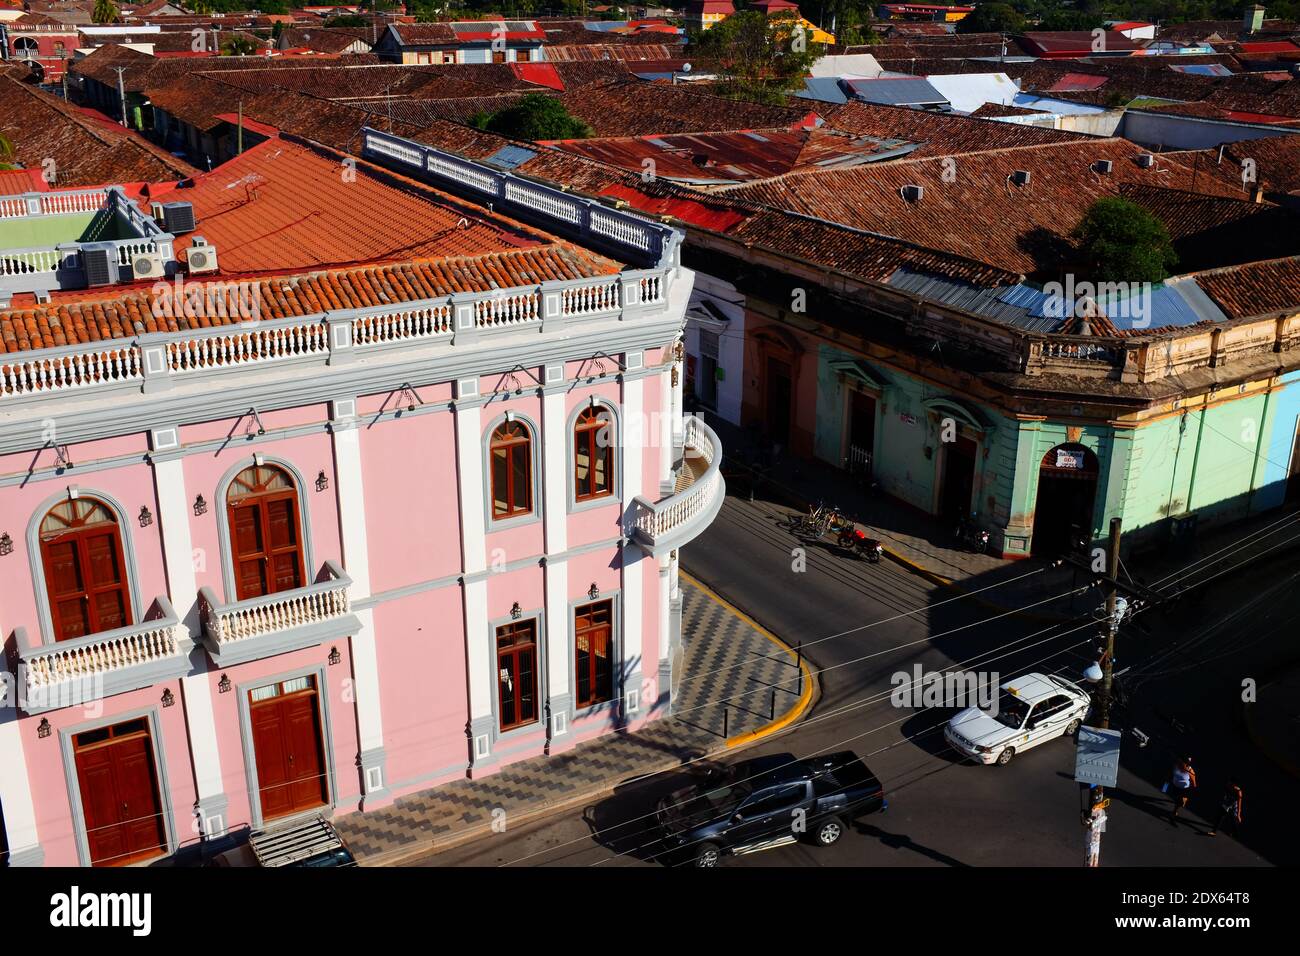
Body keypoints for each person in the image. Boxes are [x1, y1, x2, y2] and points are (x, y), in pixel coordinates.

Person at [1167, 756, 1197, 825]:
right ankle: (1181, 802)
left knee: (1179, 802)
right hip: (1175, 786)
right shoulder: (1176, 765)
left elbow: (1194, 784)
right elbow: (1170, 773)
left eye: (1187, 763)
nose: (1184, 764)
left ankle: (1174, 813)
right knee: (1175, 797)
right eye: (1183, 762)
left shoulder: (1190, 771)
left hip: (1184, 789)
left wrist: (1190, 789)